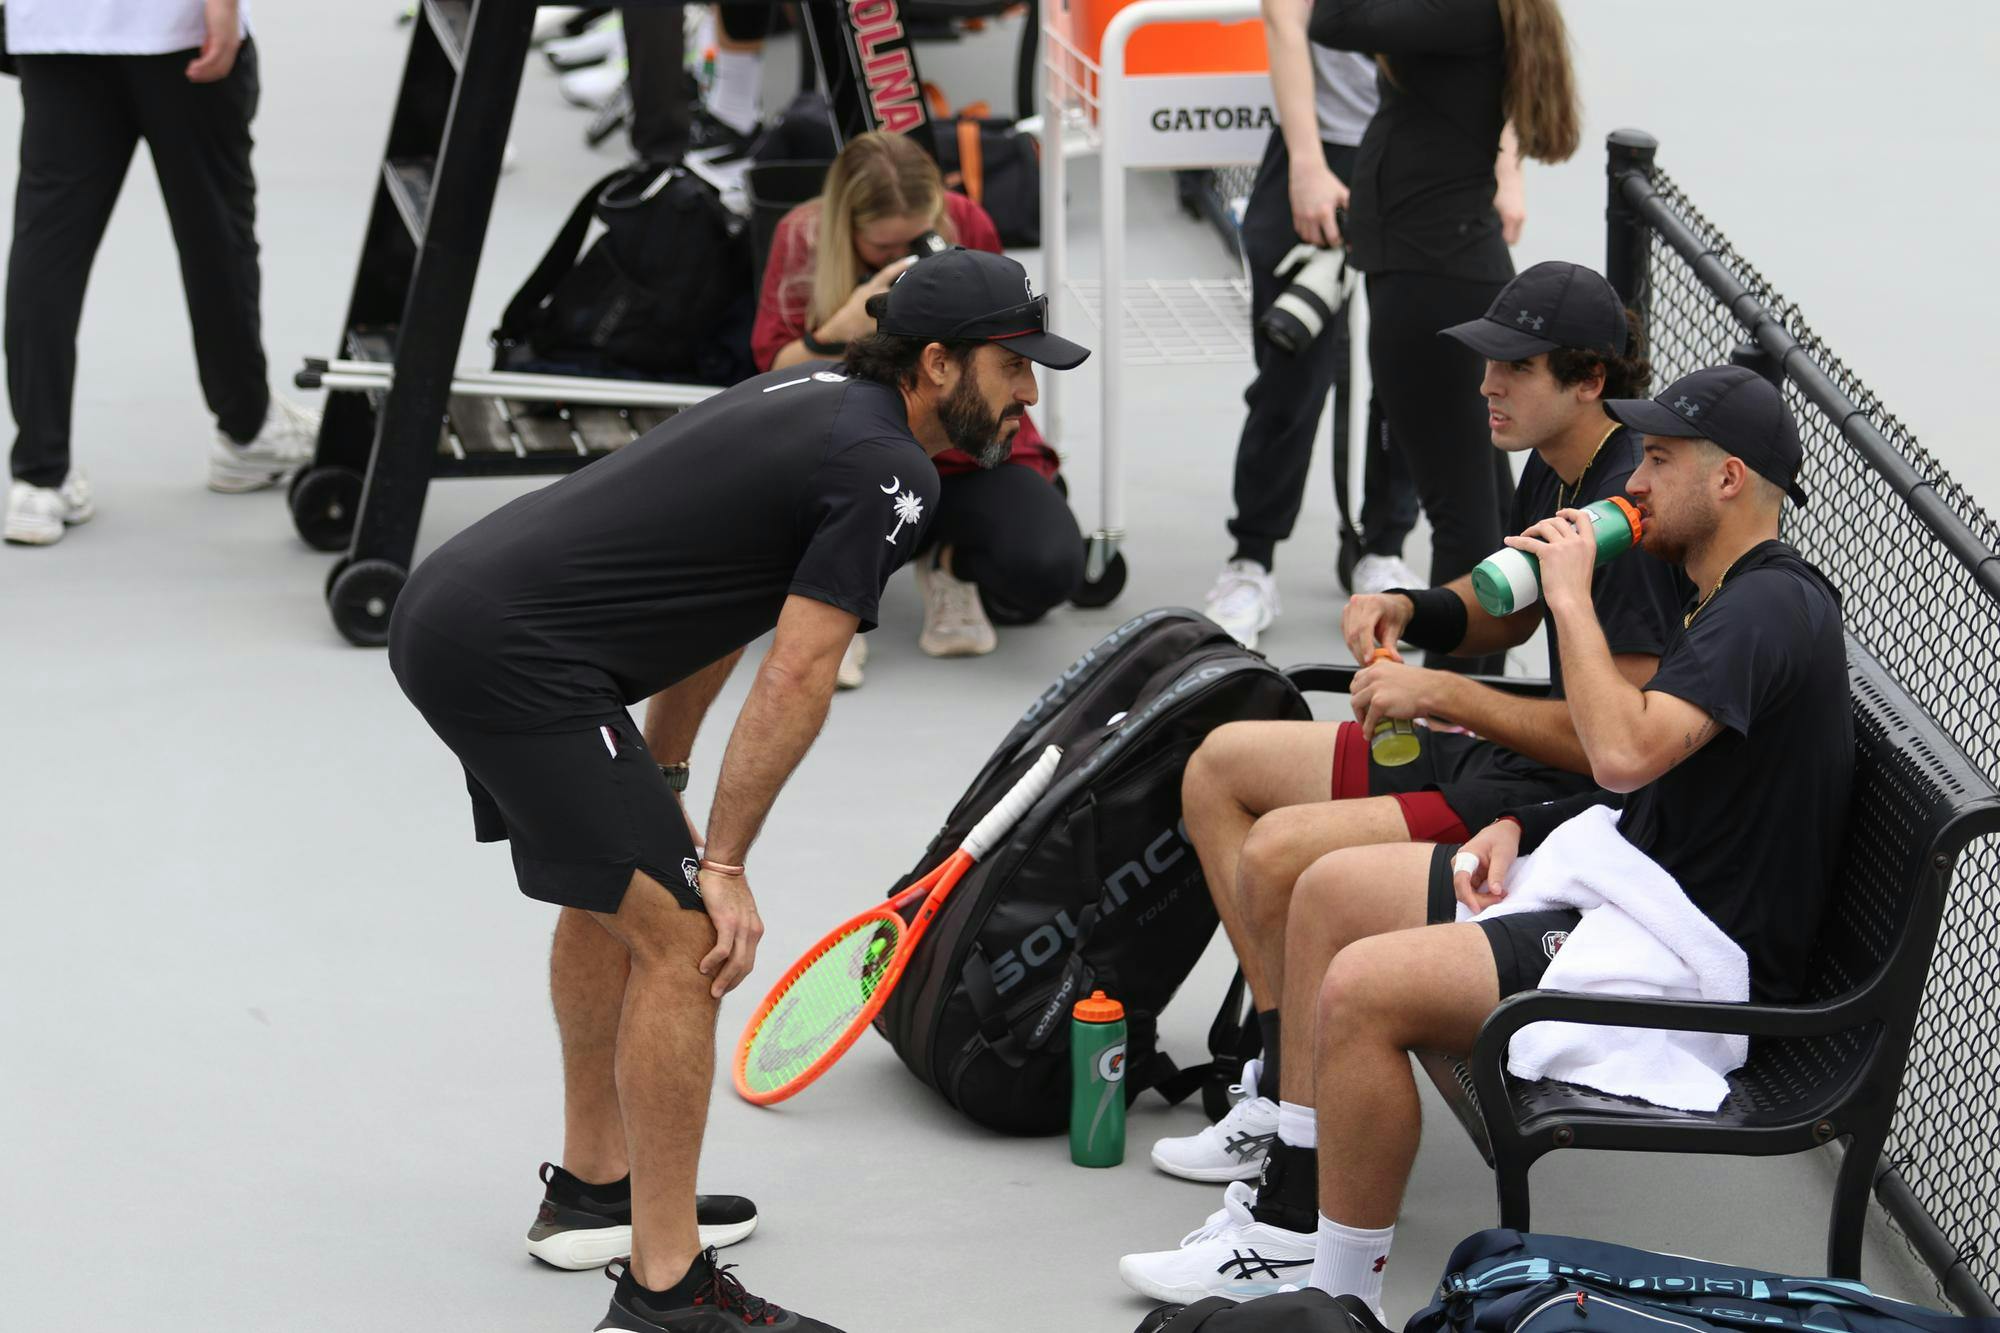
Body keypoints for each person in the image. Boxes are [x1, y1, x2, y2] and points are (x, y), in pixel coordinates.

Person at [388, 249, 1088, 1333]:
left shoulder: (817, 396)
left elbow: (724, 599)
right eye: (1013, 367)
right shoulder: (892, 471)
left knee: (615, 890)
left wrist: (663, 777)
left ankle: (594, 1190)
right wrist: (718, 864)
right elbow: (799, 670)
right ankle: (665, 1289)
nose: (1030, 393)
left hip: (473, 613)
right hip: (520, 655)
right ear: (940, 363)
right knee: (686, 942)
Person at [1120, 366, 1852, 1315]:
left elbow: (1624, 753)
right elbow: (1655, 777)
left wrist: (1574, 594)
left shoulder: (1765, 607)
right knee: (1329, 892)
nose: (1634, 479)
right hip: (1634, 882)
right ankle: (1287, 1216)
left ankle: (1338, 1301)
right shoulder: (1720, 593)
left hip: (1689, 958)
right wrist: (1526, 821)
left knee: (1363, 989)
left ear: (1728, 481)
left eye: (1660, 461)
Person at [1149, 261, 1685, 1191]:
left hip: (1563, 809)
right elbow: (1507, 609)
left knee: (1280, 854)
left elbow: (1618, 754)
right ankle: (1282, 1078)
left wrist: (1439, 696)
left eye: (1515, 366)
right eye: (1489, 363)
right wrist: (1408, 607)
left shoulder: (1622, 524)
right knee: (1219, 767)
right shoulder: (1559, 468)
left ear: (1590, 380)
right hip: (1510, 750)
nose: (1487, 385)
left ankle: (1289, 1104)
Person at [1203, 0, 1530, 647]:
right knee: (1292, 367)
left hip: (1424, 165)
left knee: (1412, 376)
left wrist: (1507, 165)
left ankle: (1383, 546)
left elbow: (1515, 38)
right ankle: (1253, 559)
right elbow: (1287, 18)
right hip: (1320, 149)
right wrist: (1305, 161)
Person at [1301, 0, 1578, 672]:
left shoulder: (1461, 9)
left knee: (1465, 521)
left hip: (1433, 285)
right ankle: (1470, 703)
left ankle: (1453, 714)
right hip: (1445, 272)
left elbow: (1332, 21)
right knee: (1482, 510)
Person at [753, 131, 1083, 684]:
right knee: (772, 547)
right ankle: (833, 611)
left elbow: (1004, 346)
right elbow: (775, 374)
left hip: (956, 451)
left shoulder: (966, 219)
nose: (905, 259)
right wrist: (844, 325)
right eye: (886, 249)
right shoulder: (801, 237)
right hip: (850, 453)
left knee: (1046, 567)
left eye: (920, 239)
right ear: (848, 227)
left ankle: (948, 560)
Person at [2, 0, 320, 547]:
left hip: (55, 26)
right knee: (216, 235)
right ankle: (246, 429)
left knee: (48, 250)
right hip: (174, 25)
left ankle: (38, 476)